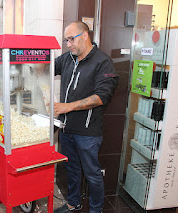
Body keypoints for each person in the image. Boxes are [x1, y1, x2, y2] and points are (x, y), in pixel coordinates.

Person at [54, 21, 119, 213]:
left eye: (71, 39)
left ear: (84, 35)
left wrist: (68, 107)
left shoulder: (103, 62)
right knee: (72, 170)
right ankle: (74, 203)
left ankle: (96, 209)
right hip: (66, 129)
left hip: (88, 133)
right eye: (66, 40)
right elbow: (47, 66)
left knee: (92, 174)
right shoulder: (67, 59)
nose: (68, 44)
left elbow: (101, 97)